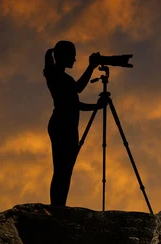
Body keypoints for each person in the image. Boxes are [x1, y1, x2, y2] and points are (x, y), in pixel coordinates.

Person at [44, 41, 106, 207]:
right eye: (72, 55)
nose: (75, 59)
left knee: (65, 171)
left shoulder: (60, 76)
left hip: (67, 127)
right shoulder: (57, 76)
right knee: (62, 170)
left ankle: (59, 206)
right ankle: (57, 207)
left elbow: (75, 96)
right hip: (62, 127)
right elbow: (75, 97)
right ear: (63, 56)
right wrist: (96, 107)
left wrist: (96, 107)